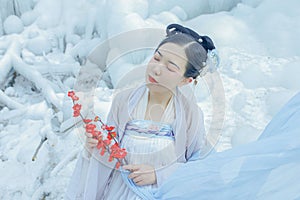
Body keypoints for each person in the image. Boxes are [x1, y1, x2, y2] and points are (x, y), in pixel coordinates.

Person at [65, 24, 218, 200]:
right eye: (156, 58)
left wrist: (159, 174)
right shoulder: (124, 101)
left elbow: (200, 165)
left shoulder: (191, 114)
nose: (157, 69)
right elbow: (112, 155)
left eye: (170, 67)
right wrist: (96, 146)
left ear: (185, 80)